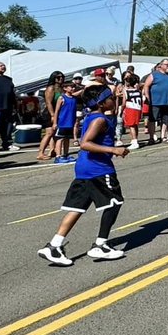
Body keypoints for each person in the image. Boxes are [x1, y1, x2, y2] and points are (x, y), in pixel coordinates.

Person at [37, 85, 130, 266]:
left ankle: (54, 246)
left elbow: (113, 110)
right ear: (102, 103)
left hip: (84, 169)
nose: (113, 98)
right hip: (98, 170)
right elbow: (85, 144)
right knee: (114, 203)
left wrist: (117, 97)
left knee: (78, 208)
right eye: (110, 96)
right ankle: (100, 245)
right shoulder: (99, 120)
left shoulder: (96, 116)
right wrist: (113, 149)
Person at [143, 60, 168, 144]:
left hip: (167, 101)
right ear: (161, 65)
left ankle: (163, 136)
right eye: (167, 64)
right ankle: (151, 137)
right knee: (152, 119)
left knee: (165, 119)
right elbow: (146, 86)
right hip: (155, 101)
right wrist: (147, 97)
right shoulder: (154, 74)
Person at [36, 71, 66, 162]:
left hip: (58, 112)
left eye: (61, 77)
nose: (60, 79)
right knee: (49, 133)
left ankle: (53, 150)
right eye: (58, 77)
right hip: (49, 112)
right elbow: (48, 102)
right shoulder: (50, 88)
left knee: (55, 133)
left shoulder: (61, 88)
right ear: (54, 78)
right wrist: (52, 115)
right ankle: (40, 153)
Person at [53, 82, 79, 163]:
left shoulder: (74, 98)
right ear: (65, 88)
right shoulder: (62, 98)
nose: (72, 88)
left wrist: (74, 121)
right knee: (60, 138)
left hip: (70, 122)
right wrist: (55, 122)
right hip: (62, 122)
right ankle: (58, 156)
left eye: (73, 87)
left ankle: (66, 154)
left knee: (67, 138)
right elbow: (56, 111)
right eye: (70, 87)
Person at [119, 72, 145, 150]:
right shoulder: (138, 91)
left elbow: (124, 103)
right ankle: (135, 139)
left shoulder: (126, 91)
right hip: (138, 108)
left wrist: (121, 110)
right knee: (135, 125)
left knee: (131, 126)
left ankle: (134, 141)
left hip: (130, 109)